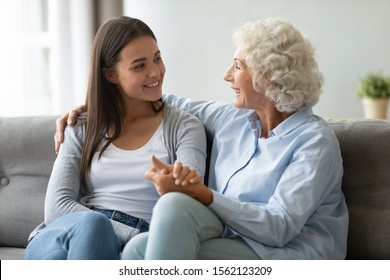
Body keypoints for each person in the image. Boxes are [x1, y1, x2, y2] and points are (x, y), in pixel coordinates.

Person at [55, 18, 349, 260]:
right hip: (232, 240)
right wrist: (92, 108)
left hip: (288, 254)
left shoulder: (314, 142)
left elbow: (279, 227)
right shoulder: (231, 119)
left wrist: (203, 194)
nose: (226, 75)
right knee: (136, 248)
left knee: (167, 214)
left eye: (238, 66)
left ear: (269, 77)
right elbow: (156, 97)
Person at [24, 16, 206, 260]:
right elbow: (57, 208)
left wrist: (144, 240)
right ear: (110, 75)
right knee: (93, 226)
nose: (155, 71)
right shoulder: (81, 127)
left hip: (132, 248)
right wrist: (134, 234)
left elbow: (190, 199)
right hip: (66, 236)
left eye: (157, 58)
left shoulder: (185, 128)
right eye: (139, 66)